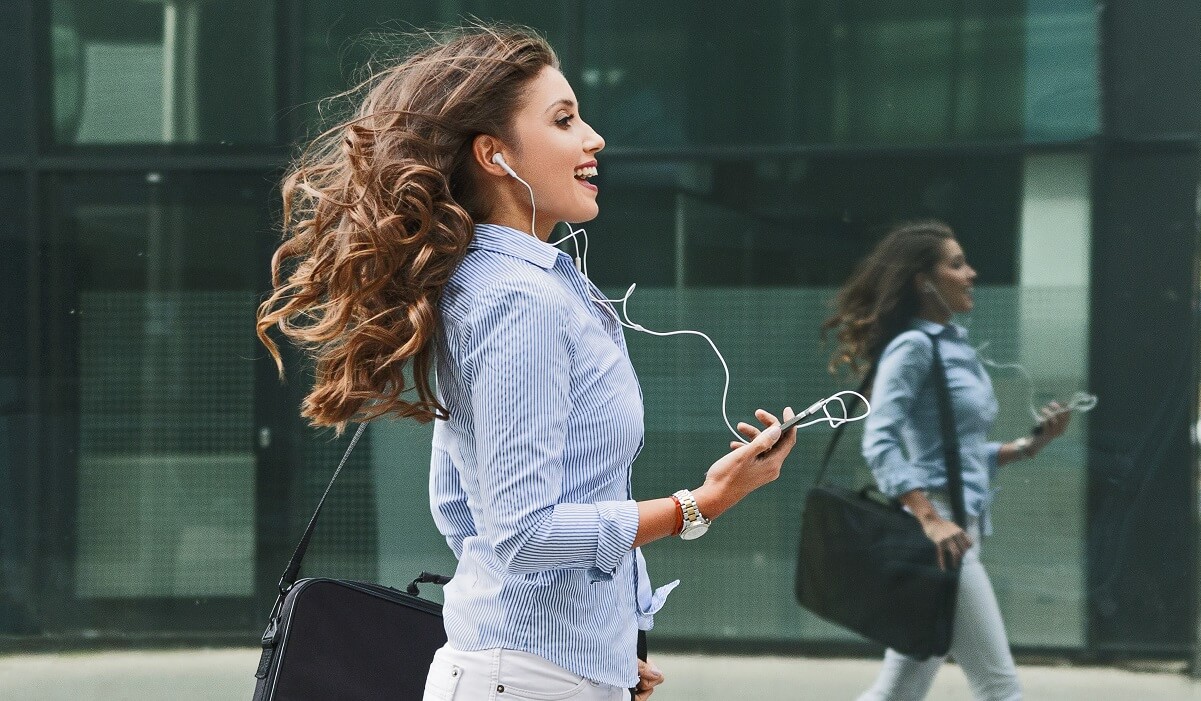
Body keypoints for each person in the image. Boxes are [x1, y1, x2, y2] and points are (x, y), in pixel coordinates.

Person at [255, 24, 797, 701]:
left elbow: (458, 505)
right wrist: (700, 504)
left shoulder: (503, 284)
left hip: (532, 673)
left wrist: (594, 651)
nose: (594, 137)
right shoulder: (520, 300)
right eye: (564, 119)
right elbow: (524, 531)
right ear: (494, 154)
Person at [823, 220, 1070, 701]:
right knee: (1000, 688)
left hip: (959, 526)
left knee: (901, 686)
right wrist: (930, 518)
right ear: (924, 279)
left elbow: (958, 454)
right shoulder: (914, 348)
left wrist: (1030, 445)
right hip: (940, 536)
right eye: (957, 264)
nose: (972, 273)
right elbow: (880, 440)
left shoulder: (952, 345)